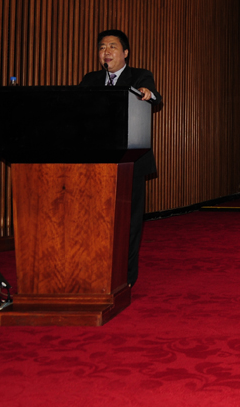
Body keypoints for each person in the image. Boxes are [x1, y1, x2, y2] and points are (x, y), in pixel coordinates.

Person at [78, 29, 160, 288]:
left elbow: (154, 97)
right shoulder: (91, 79)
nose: (106, 52)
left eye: (112, 46)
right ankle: (96, 271)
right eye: (102, 47)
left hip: (130, 161)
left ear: (125, 52)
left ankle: (126, 278)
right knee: (96, 219)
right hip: (96, 161)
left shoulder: (139, 76)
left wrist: (147, 93)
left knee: (129, 222)